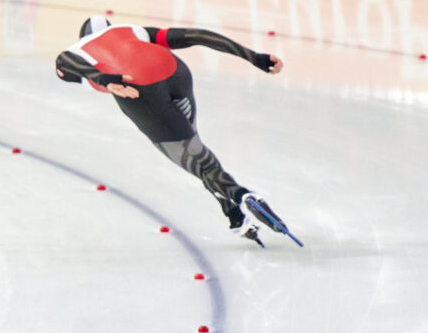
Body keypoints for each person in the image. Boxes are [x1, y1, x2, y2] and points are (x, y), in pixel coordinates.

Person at [55, 16, 299, 248]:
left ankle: (242, 195)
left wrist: (103, 78)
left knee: (199, 163)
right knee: (197, 150)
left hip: (139, 89)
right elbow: (196, 35)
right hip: (174, 72)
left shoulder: (80, 49)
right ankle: (234, 217)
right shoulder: (132, 30)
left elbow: (63, 61)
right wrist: (254, 57)